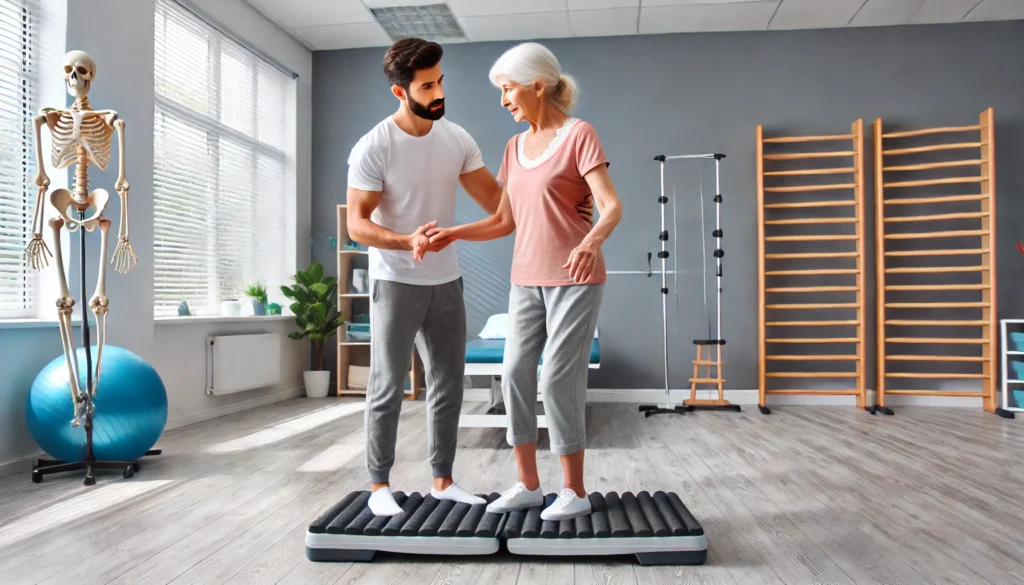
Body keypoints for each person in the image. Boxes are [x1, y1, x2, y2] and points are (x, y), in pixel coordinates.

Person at [346, 38, 592, 516]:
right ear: (401, 93)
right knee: (388, 383)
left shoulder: (456, 139)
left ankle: (442, 481)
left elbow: (506, 206)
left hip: (446, 280)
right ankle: (379, 486)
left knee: (448, 384)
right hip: (396, 279)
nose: (439, 92)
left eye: (441, 81)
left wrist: (571, 199)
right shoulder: (375, 146)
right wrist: (406, 240)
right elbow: (357, 223)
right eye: (427, 86)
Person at [415, 42, 623, 521]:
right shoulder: (513, 147)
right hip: (524, 280)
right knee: (513, 374)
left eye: (508, 89)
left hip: (574, 278)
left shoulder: (579, 135)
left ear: (536, 85)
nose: (504, 99)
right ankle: (528, 484)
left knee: (556, 380)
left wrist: (591, 242)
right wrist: (453, 233)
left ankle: (575, 490)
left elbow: (610, 205)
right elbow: (503, 220)